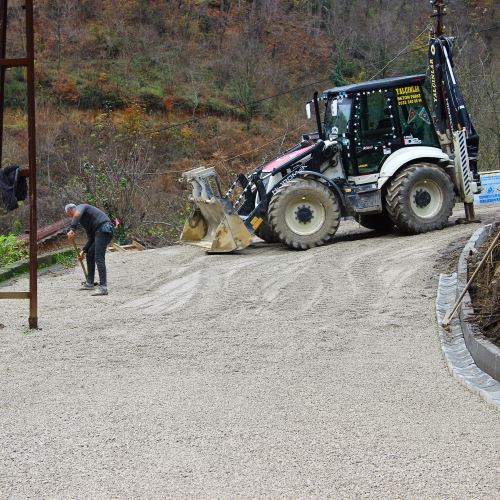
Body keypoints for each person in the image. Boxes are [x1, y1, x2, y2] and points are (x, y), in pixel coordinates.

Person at [65, 203, 113, 296]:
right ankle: (89, 283)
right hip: (98, 233)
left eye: (69, 214)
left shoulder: (81, 207)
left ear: (70, 210)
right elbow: (91, 238)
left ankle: (103, 287)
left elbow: (77, 214)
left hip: (104, 229)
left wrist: (72, 229)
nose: (70, 216)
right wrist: (84, 250)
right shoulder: (84, 221)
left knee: (99, 258)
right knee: (90, 254)